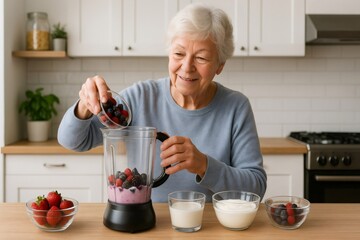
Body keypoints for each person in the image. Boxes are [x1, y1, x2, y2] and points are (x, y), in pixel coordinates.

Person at [58, 3, 267, 202]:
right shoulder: (140, 97)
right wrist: (84, 106)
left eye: (201, 58)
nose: (186, 67)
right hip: (146, 220)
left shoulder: (236, 107)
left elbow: (256, 187)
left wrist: (204, 165)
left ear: (220, 65)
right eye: (178, 54)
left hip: (209, 224)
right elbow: (72, 141)